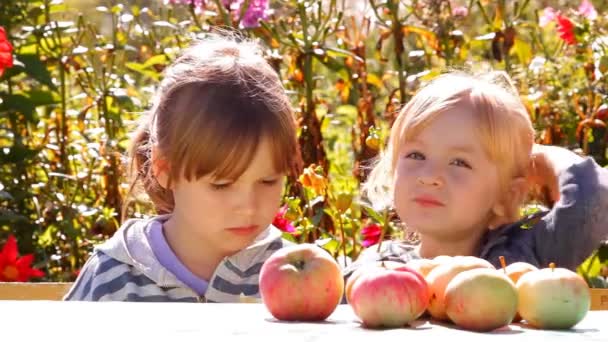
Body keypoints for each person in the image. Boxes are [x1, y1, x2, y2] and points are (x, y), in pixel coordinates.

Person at [64, 33, 298, 302]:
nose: (248, 206)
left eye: (268, 181)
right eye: (221, 185)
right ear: (165, 168)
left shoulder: (298, 275)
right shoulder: (114, 278)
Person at [345, 71, 608, 279]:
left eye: (459, 162)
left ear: (508, 193)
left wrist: (539, 156)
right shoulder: (379, 266)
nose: (429, 176)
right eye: (416, 155)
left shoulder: (526, 253)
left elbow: (593, 199)